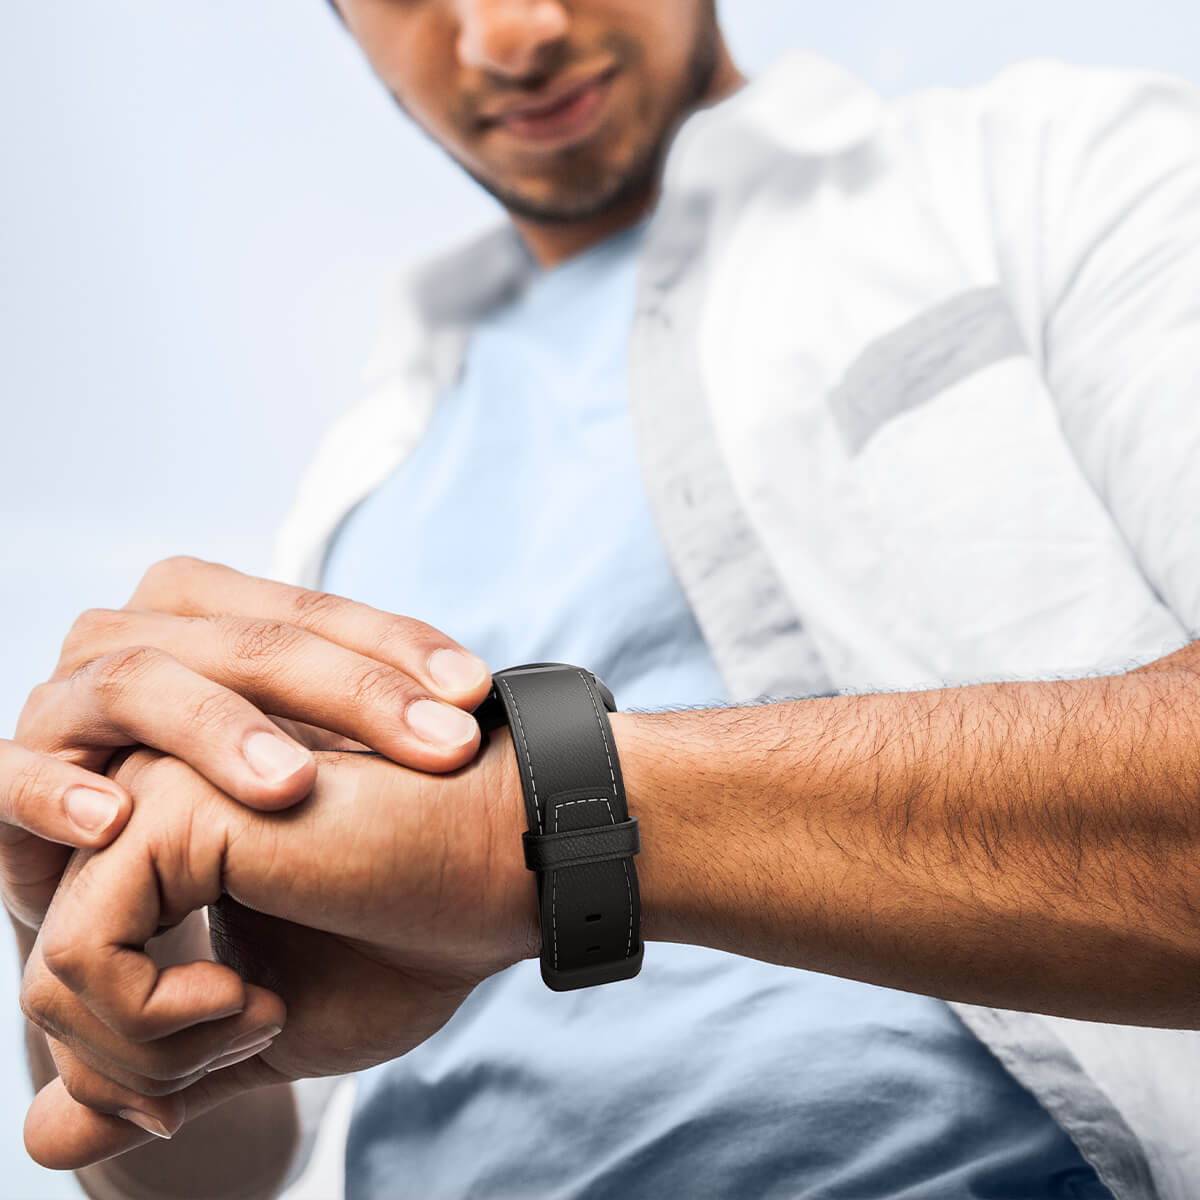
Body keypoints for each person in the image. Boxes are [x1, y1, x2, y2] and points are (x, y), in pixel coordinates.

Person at [5, 1, 1200, 1197]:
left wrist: (532, 836)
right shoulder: (358, 485)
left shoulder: (1075, 169)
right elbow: (216, 1170)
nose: (509, 36)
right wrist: (100, 931)